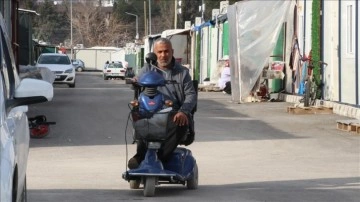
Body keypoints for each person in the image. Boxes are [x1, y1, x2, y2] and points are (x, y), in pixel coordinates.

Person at [128, 38, 197, 169]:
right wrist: (134, 81)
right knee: (139, 116)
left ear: (172, 52)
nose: (163, 55)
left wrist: (184, 111)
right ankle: (141, 156)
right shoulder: (148, 69)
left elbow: (191, 95)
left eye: (166, 51)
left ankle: (160, 157)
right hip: (151, 110)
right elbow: (137, 82)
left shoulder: (182, 72)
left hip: (173, 112)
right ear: (155, 53)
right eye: (159, 52)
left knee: (180, 122)